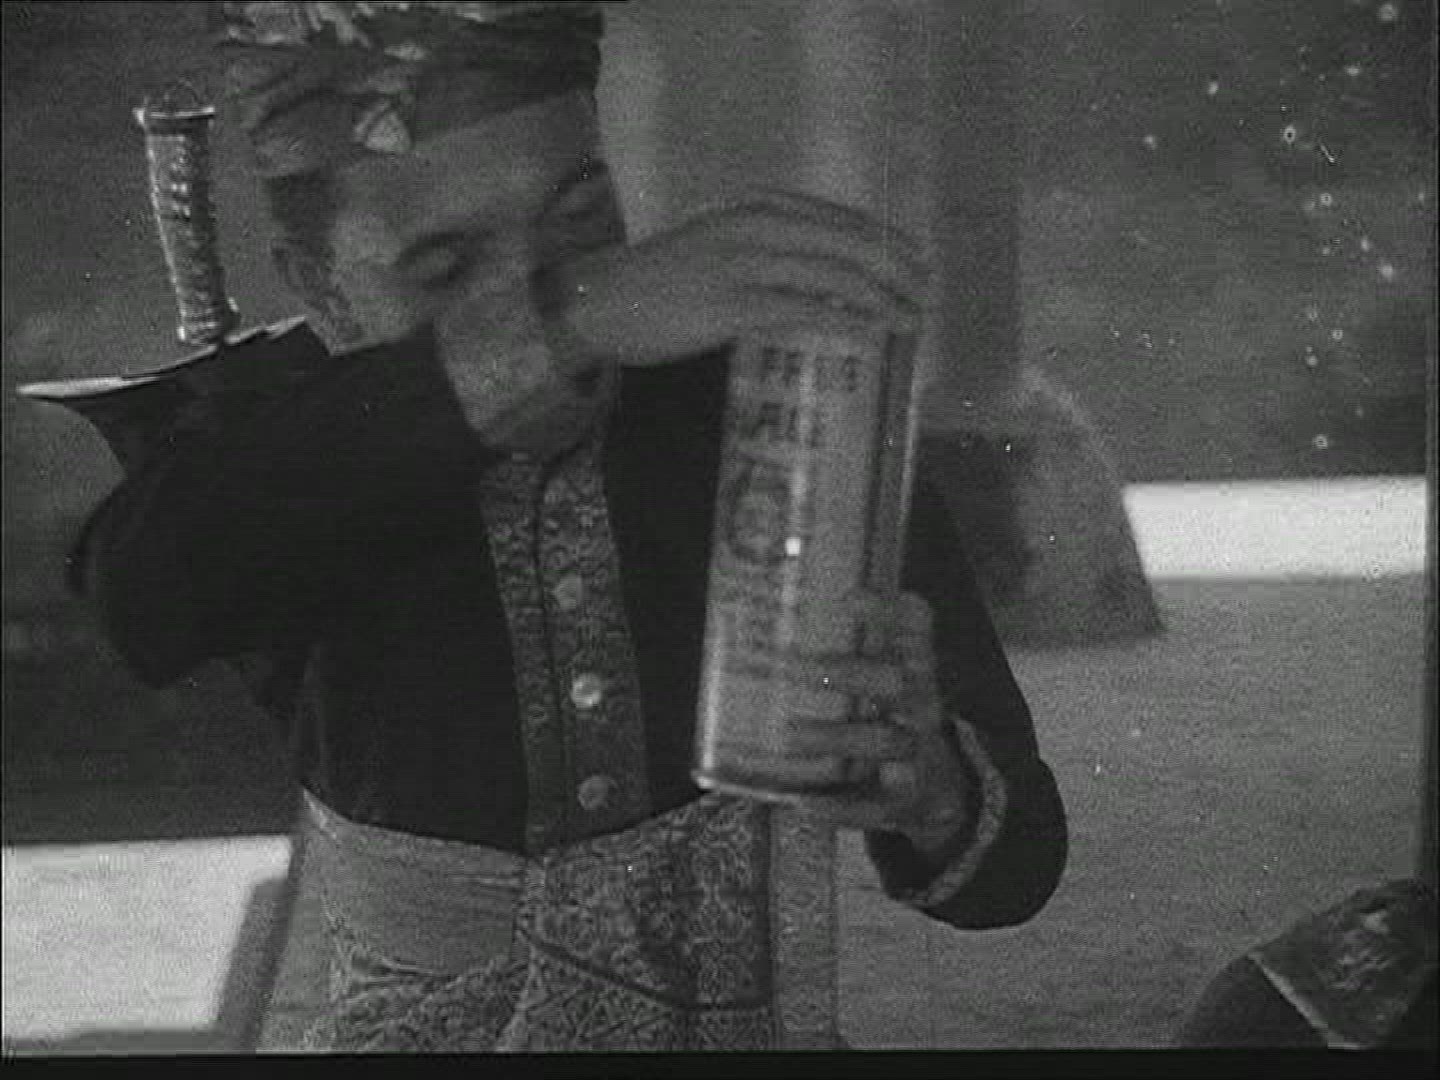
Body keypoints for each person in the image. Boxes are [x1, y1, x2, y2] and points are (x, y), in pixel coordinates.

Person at [67, 1, 1067, 1051]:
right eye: (448, 269)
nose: (545, 288)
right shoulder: (305, 444)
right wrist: (575, 317)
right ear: (323, 289)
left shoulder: (763, 416)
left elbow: (1018, 867)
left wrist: (932, 792)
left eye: (583, 223)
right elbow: (139, 597)